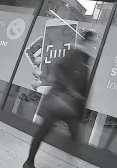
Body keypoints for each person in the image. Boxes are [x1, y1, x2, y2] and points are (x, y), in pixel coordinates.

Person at [23, 30, 95, 168]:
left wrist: (81, 111)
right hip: (59, 100)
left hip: (71, 106)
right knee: (43, 131)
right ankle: (29, 161)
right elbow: (58, 72)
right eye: (91, 42)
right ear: (86, 41)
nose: (93, 45)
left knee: (75, 137)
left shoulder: (86, 58)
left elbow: (84, 87)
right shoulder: (73, 53)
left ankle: (69, 162)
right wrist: (71, 90)